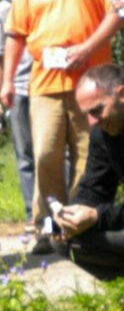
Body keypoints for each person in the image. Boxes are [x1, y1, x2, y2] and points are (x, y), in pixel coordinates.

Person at [0, 0, 122, 254]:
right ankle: (49, 227)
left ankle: (83, 226)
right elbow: (15, 33)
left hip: (93, 87)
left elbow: (120, 11)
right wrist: (6, 81)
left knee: (89, 156)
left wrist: (87, 48)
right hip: (45, 84)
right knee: (45, 155)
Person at [0, 0, 40, 231]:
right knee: (25, 156)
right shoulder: (2, 10)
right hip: (18, 89)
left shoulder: (46, 1)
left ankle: (63, 214)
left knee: (57, 155)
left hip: (48, 88)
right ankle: (33, 215)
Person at [52, 64, 124, 270]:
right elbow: (94, 190)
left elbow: (99, 213)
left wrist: (97, 216)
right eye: (87, 114)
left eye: (97, 110)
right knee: (63, 239)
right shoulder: (102, 135)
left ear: (121, 94)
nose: (92, 121)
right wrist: (70, 214)